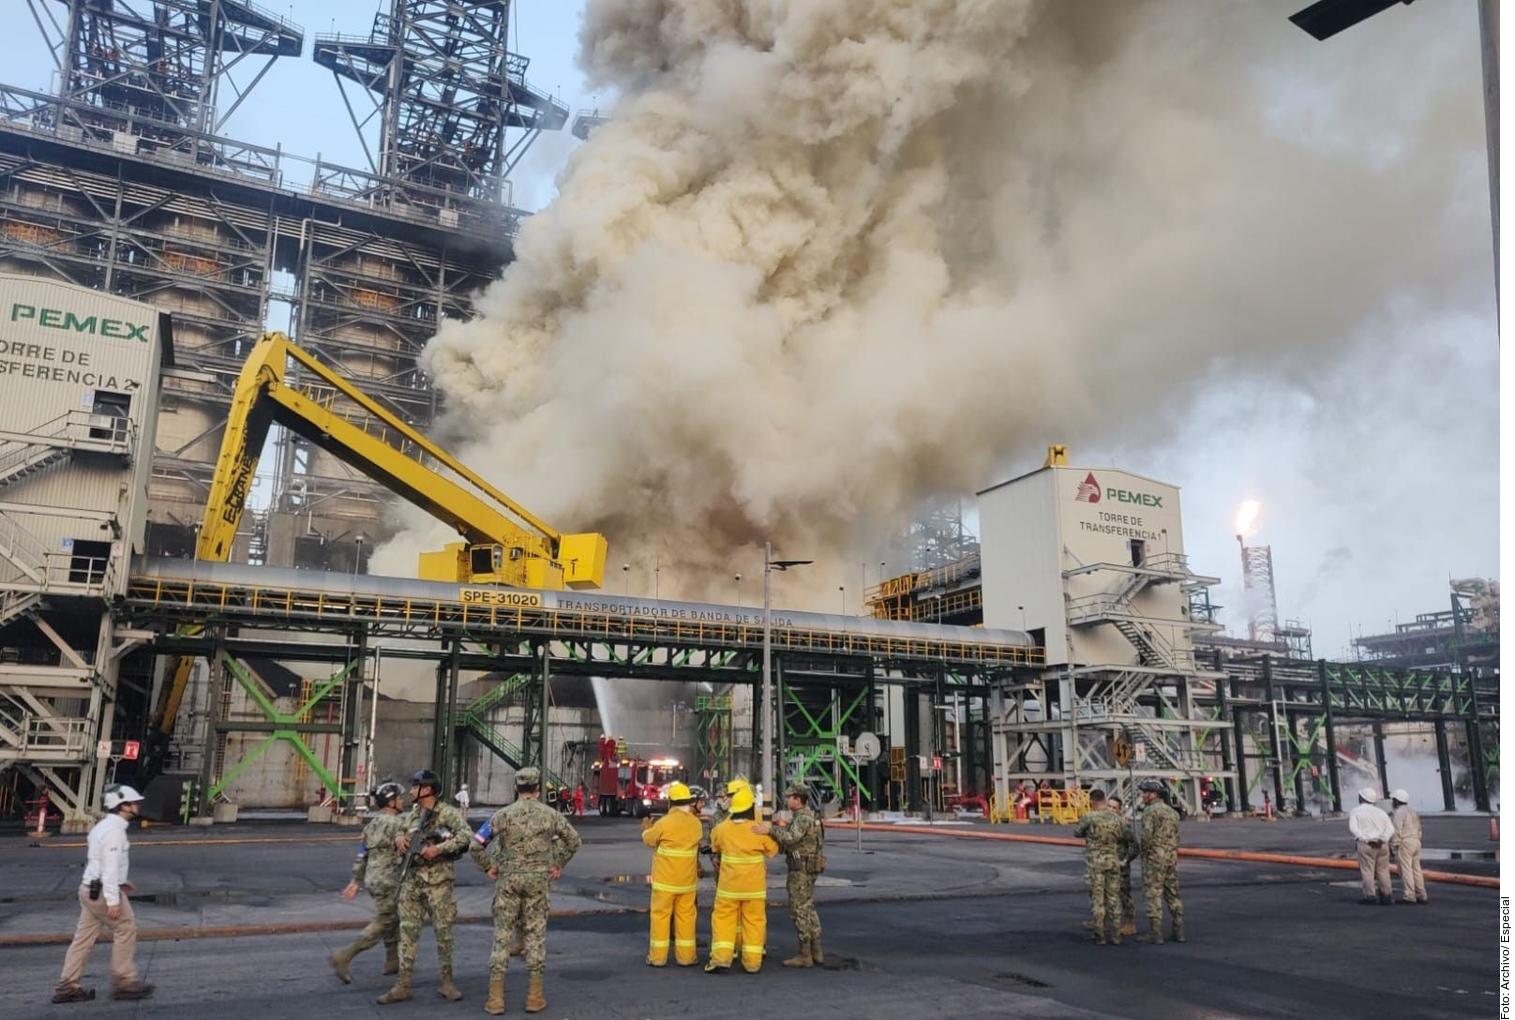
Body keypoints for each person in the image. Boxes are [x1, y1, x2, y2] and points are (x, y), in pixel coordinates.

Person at [471, 767, 581, 1015]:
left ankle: (496, 999)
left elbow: (475, 844)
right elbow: (574, 841)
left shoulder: (502, 816)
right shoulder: (550, 815)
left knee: (502, 937)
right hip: (537, 883)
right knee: (535, 937)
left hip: (508, 881)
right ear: (538, 788)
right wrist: (557, 864)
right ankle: (534, 997)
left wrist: (489, 867)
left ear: (516, 788)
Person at [52, 784, 154, 1003]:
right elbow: (108, 866)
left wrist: (121, 882)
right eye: (134, 802)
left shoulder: (103, 826)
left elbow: (100, 862)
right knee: (125, 928)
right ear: (123, 806)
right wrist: (113, 899)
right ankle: (124, 982)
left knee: (83, 938)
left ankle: (67, 986)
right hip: (102, 892)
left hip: (89, 889)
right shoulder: (114, 832)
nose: (137, 805)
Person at [378, 769, 472, 1005]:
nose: (410, 791)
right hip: (412, 882)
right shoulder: (412, 815)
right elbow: (400, 832)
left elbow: (466, 837)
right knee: (407, 933)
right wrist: (399, 839)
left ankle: (447, 982)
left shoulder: (447, 813)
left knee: (444, 934)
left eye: (415, 786)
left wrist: (438, 849)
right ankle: (403, 985)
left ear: (427, 789)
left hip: (438, 884)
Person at [331, 781, 408, 983]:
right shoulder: (398, 824)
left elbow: (361, 854)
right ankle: (344, 956)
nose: (402, 800)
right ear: (391, 803)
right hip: (390, 879)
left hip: (373, 879)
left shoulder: (371, 825)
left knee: (391, 918)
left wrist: (356, 880)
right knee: (384, 921)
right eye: (399, 798)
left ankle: (392, 961)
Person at [705, 784, 778, 974]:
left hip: (728, 886)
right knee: (754, 922)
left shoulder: (722, 829)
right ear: (751, 807)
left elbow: (715, 845)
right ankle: (752, 963)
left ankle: (721, 957)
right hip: (754, 887)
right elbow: (773, 850)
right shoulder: (758, 830)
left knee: (723, 920)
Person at [754, 783, 826, 967]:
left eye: (790, 797)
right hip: (809, 866)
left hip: (800, 869)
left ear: (797, 799)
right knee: (808, 907)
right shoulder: (811, 816)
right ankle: (816, 951)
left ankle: (805, 955)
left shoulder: (802, 818)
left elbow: (791, 837)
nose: (787, 800)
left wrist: (769, 830)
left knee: (799, 909)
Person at [640, 781, 702, 967]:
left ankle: (658, 958)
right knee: (686, 919)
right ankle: (686, 957)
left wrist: (645, 830)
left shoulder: (664, 823)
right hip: (687, 883)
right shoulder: (696, 824)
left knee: (660, 918)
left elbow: (650, 840)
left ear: (671, 803)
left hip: (665, 883)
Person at [1072, 789, 1132, 945]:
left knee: (1098, 899)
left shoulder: (1090, 817)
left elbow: (1077, 832)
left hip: (1096, 862)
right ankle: (1116, 935)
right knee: (1114, 898)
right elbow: (1126, 836)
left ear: (1092, 801)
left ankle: (1100, 935)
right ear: (1105, 800)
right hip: (1113, 861)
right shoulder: (1117, 818)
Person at [1136, 779, 1184, 943]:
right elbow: (1176, 836)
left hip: (1155, 858)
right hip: (1171, 857)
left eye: (1145, 792)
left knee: (1153, 894)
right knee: (1173, 894)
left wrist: (1143, 853)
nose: (1143, 796)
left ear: (1153, 794)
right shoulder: (1172, 812)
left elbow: (1146, 836)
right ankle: (1179, 930)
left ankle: (1155, 933)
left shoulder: (1150, 812)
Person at [1348, 787, 1395, 906]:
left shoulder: (1356, 811)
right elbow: (1390, 829)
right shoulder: (1381, 812)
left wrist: (1365, 839)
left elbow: (1353, 828)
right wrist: (1382, 839)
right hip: (1382, 845)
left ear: (1362, 798)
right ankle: (1386, 896)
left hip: (1366, 845)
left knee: (1367, 871)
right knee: (1383, 871)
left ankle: (1370, 896)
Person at [1107, 795, 1137, 938]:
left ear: (1119, 811)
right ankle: (1101, 921)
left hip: (1120, 865)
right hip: (1106, 864)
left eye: (1114, 808)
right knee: (1103, 893)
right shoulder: (1102, 823)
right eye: (1109, 806)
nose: (1111, 810)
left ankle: (1130, 923)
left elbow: (1134, 845)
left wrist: (1126, 860)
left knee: (1124, 894)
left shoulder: (1124, 825)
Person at [1389, 789, 1427, 905]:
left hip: (1405, 843)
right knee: (1417, 870)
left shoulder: (1399, 813)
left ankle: (1410, 895)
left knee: (1406, 870)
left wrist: (1393, 846)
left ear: (1396, 800)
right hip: (1416, 841)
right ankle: (1421, 894)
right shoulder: (1413, 812)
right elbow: (1419, 829)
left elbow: (1396, 831)